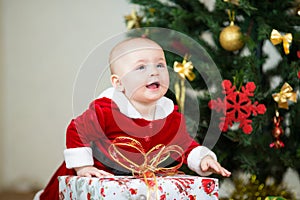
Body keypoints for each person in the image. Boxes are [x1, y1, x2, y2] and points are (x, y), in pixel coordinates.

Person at [35, 37, 231, 200]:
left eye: (160, 65)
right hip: (97, 175)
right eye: (141, 67)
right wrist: (84, 167)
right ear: (118, 83)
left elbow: (183, 145)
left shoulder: (169, 116)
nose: (154, 71)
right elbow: (77, 130)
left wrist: (202, 158)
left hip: (130, 185)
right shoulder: (107, 110)